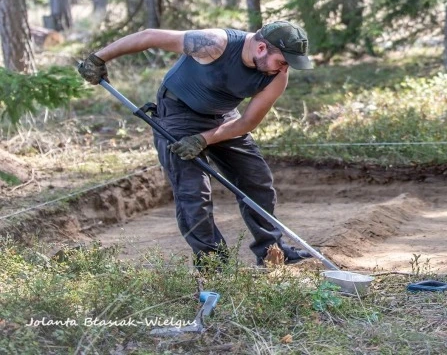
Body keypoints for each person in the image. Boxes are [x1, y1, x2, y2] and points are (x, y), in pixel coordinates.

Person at [78, 21, 315, 269]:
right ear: (261, 48)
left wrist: (204, 138)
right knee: (194, 194)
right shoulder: (214, 44)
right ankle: (214, 263)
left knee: (257, 181)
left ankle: (271, 252)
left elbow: (247, 122)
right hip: (178, 114)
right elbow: (149, 36)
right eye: (282, 61)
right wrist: (97, 59)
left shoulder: (277, 76)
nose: (284, 68)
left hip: (224, 117)